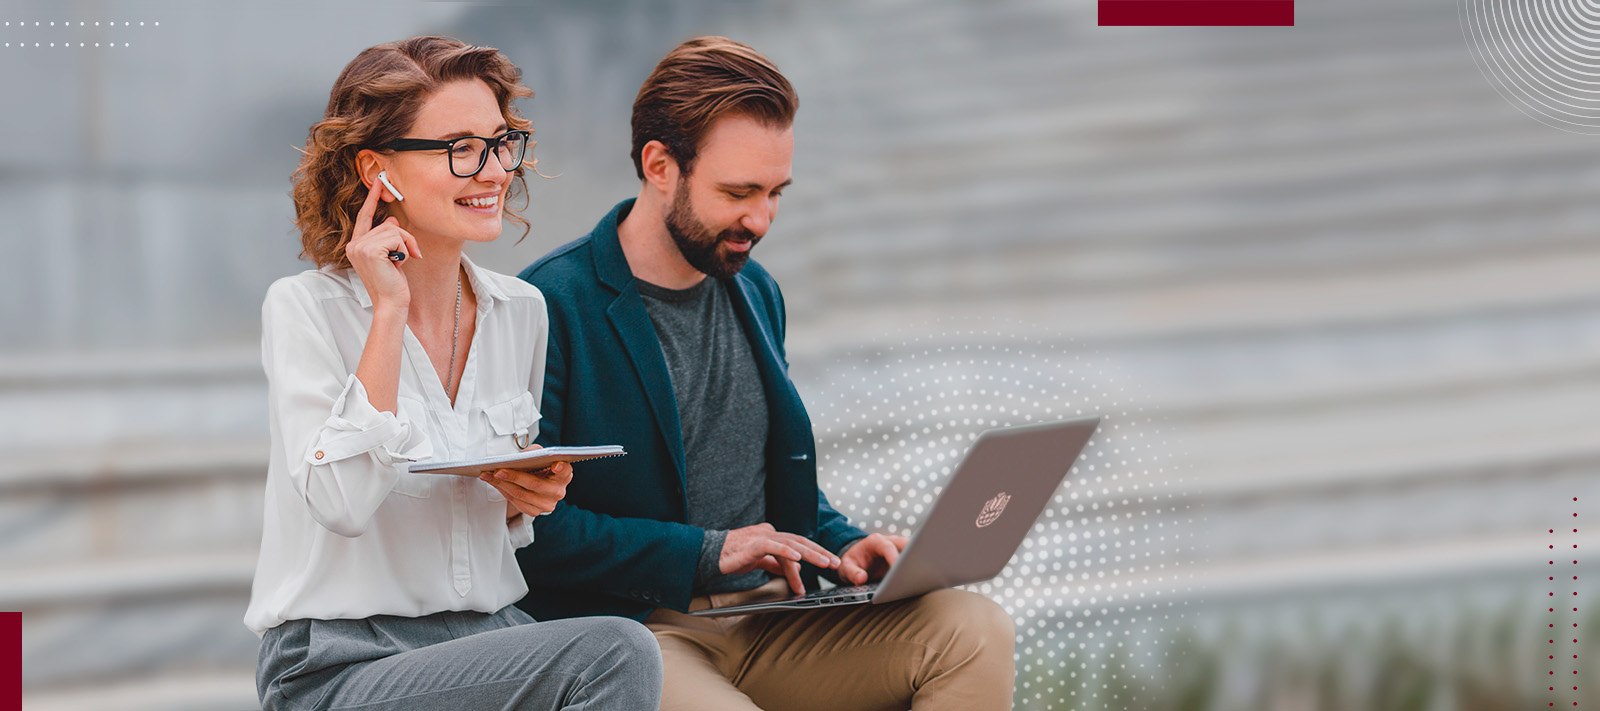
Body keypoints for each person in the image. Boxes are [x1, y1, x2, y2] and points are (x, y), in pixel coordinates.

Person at [515, 36, 1015, 711]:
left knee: (973, 628)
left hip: (777, 619)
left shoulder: (757, 291)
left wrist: (844, 544)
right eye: (738, 192)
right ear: (660, 165)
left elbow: (771, 492)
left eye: (776, 192)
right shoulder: (547, 305)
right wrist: (706, 551)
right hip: (639, 631)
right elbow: (530, 533)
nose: (762, 218)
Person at [245, 36, 661, 711]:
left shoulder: (521, 310)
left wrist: (527, 496)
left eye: (501, 143)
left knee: (632, 648)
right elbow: (342, 503)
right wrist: (388, 309)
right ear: (379, 169)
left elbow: (491, 529)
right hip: (341, 662)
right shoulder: (305, 309)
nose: (494, 170)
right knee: (616, 653)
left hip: (485, 638)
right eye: (459, 148)